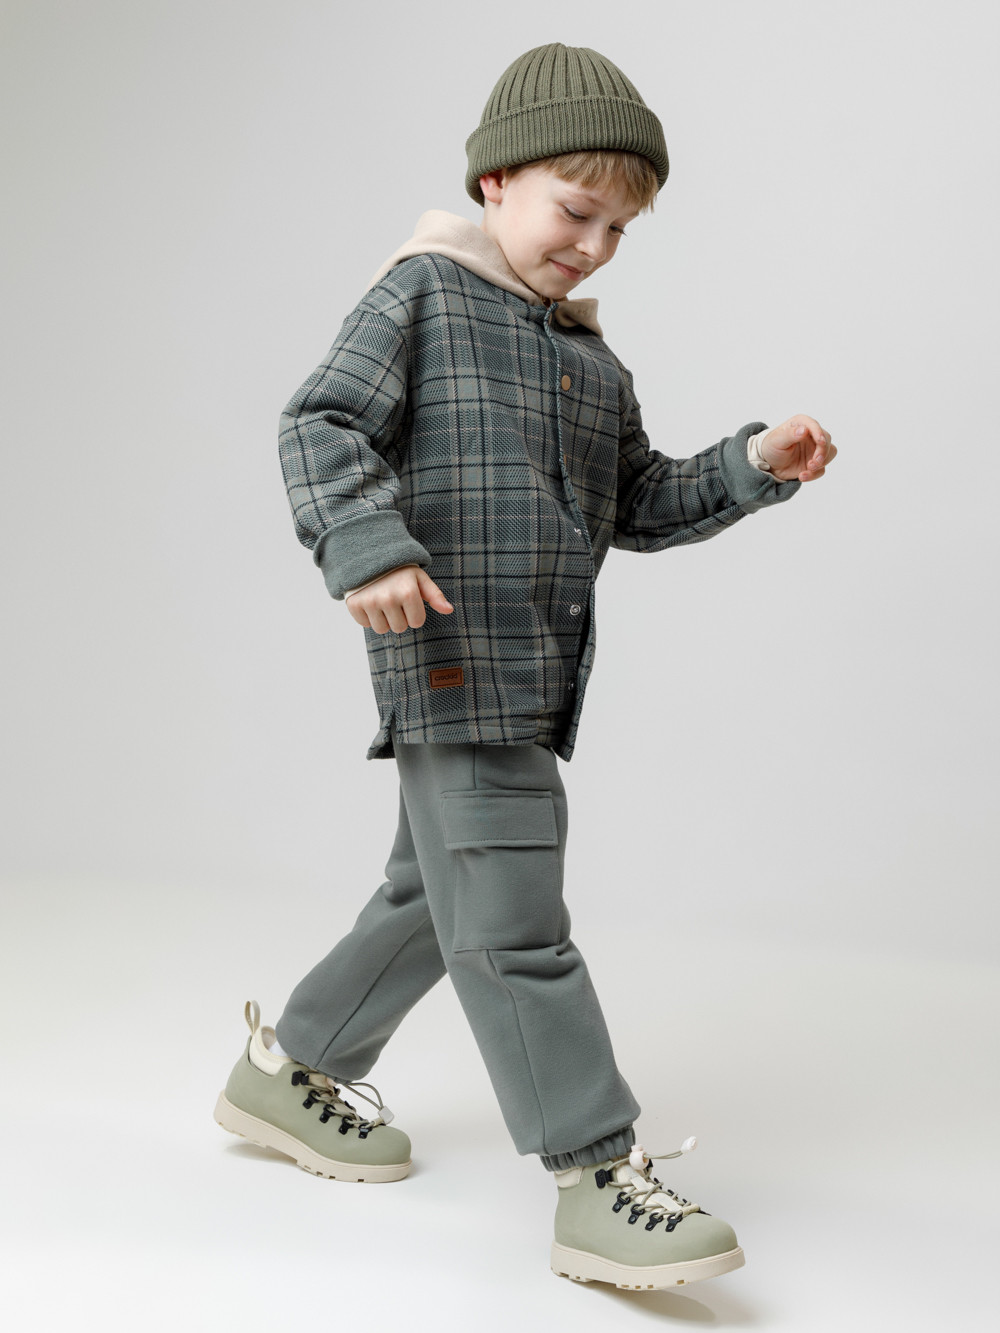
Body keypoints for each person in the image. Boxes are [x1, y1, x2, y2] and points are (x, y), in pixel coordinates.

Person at [214, 42, 836, 1291]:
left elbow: (638, 501)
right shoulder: (422, 298)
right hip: (452, 658)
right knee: (512, 926)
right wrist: (365, 546)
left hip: (532, 673)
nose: (594, 245)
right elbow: (321, 419)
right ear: (496, 181)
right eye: (575, 209)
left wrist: (747, 466)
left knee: (434, 896)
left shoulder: (590, 364)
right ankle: (596, 1178)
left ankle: (292, 1071)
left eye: (618, 229)